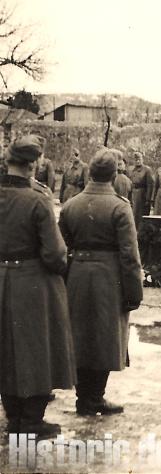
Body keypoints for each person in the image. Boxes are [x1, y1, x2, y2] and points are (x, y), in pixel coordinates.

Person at [0, 135, 76, 438]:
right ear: (33, 165)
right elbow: (55, 253)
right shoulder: (38, 200)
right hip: (32, 281)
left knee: (6, 350)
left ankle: (13, 418)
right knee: (37, 350)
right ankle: (31, 421)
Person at [59, 147, 143, 416]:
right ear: (114, 175)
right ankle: (94, 397)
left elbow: (61, 248)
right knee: (106, 336)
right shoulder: (120, 206)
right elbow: (130, 255)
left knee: (81, 335)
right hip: (109, 276)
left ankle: (84, 396)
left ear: (90, 172)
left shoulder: (71, 205)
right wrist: (134, 292)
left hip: (78, 275)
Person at [130, 151, 154, 227]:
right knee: (134, 215)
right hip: (134, 194)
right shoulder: (132, 170)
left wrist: (148, 199)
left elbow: (150, 185)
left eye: (139, 159)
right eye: (136, 160)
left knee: (141, 216)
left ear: (142, 159)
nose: (137, 161)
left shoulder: (147, 170)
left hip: (142, 195)